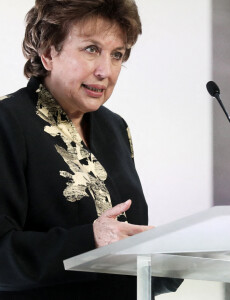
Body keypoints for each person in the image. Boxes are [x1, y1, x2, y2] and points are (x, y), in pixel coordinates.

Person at [0, 0, 153, 298]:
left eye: (117, 55)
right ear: (48, 52)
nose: (104, 71)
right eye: (91, 49)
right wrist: (88, 239)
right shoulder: (7, 122)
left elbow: (131, 237)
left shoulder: (115, 128)